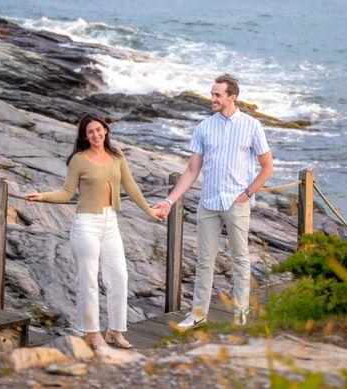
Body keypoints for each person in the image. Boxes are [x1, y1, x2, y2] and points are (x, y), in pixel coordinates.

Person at [153, 74, 273, 330]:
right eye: (212, 94)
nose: (213, 99)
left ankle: (240, 316)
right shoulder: (204, 128)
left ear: (232, 97)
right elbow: (191, 171)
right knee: (204, 261)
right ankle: (197, 315)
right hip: (208, 204)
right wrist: (170, 200)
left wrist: (248, 193)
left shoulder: (252, 126)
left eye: (217, 95)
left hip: (237, 203)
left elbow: (267, 166)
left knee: (240, 259)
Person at [28, 114, 159, 349]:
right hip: (86, 224)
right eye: (90, 132)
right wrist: (43, 196)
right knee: (88, 281)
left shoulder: (117, 155)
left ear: (105, 130)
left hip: (111, 223)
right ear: (84, 136)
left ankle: (115, 331)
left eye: (99, 130)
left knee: (119, 277)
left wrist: (149, 211)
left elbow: (130, 186)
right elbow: (67, 192)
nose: (95, 135)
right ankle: (92, 333)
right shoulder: (78, 160)